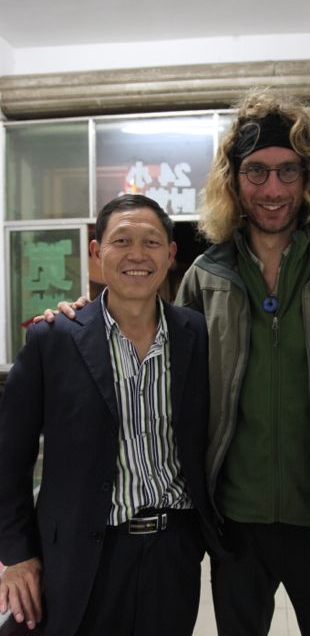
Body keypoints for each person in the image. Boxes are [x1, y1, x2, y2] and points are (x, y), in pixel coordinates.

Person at [38, 89, 310, 636]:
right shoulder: (207, 277)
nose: (272, 189)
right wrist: (81, 315)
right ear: (234, 181)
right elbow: (151, 345)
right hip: (235, 527)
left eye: (288, 171)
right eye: (256, 172)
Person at [0, 194, 222, 636]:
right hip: (83, 551)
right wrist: (16, 553)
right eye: (121, 241)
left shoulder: (197, 334)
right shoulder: (54, 338)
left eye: (151, 242)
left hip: (173, 551)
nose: (137, 255)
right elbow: (9, 457)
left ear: (170, 254)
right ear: (97, 252)